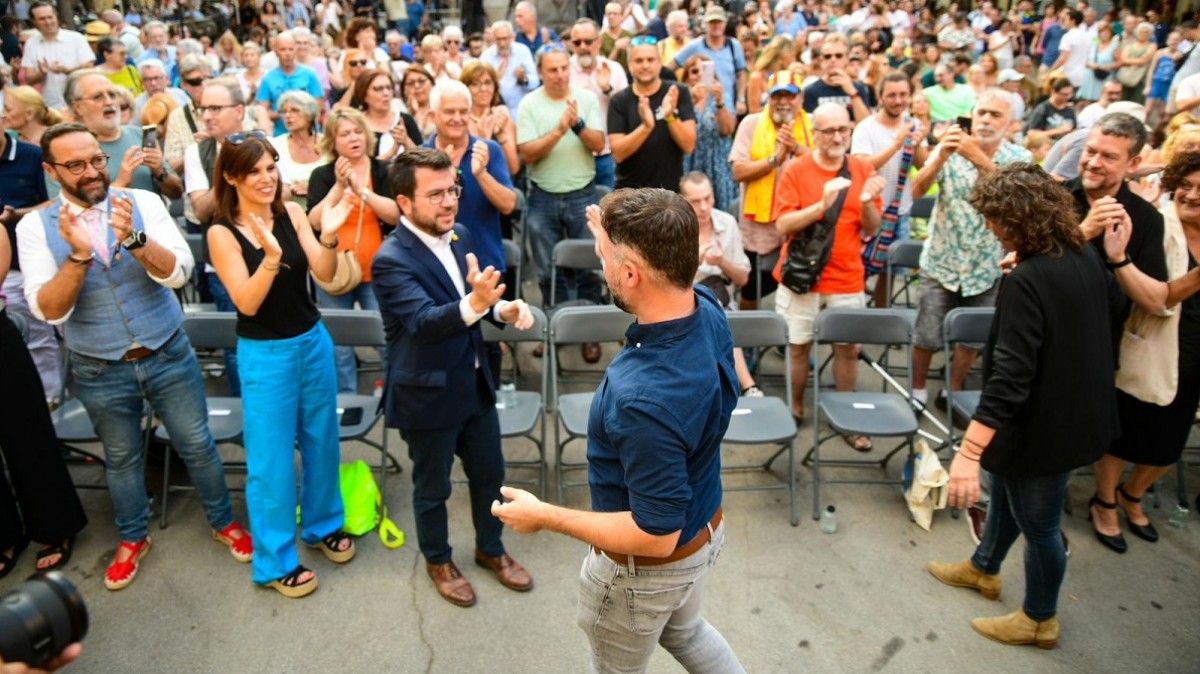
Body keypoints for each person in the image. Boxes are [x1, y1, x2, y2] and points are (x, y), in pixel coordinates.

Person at [492, 187, 744, 673]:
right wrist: (613, 241)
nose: (599, 261)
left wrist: (544, 515)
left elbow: (656, 535)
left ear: (630, 273)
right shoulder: (704, 304)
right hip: (706, 525)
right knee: (689, 632)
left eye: (604, 257)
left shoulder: (642, 399)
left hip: (647, 571)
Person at [16, 124, 252, 591]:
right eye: (76, 165)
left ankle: (223, 521)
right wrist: (79, 258)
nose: (91, 172)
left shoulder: (143, 204)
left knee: (198, 444)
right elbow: (48, 310)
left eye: (97, 160)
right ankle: (131, 537)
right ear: (49, 170)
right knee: (121, 457)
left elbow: (180, 273)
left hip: (166, 349)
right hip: (98, 365)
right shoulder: (34, 227)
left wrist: (137, 242)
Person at [928, 163, 1117, 649]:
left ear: (1018, 221)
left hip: (1043, 426)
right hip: (1067, 414)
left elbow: (1010, 379)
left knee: (1041, 527)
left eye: (995, 218)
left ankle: (1039, 619)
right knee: (1010, 497)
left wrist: (967, 456)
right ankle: (984, 568)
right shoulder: (1079, 253)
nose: (990, 227)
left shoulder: (1029, 280)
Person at [372, 147, 536, 608]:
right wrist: (481, 305)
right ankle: (439, 560)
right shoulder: (391, 259)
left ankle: (491, 549)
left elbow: (470, 294)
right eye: (436, 194)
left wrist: (503, 308)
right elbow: (425, 321)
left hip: (473, 381)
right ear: (404, 203)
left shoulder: (459, 233)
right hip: (426, 396)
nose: (449, 202)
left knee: (491, 476)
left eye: (453, 190)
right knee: (432, 488)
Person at [206, 132, 351, 598]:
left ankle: (324, 523)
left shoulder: (289, 212)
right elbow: (246, 305)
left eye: (271, 166)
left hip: (311, 341)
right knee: (270, 462)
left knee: (322, 441)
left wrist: (328, 232)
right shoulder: (221, 232)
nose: (267, 178)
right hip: (265, 354)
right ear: (231, 177)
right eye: (254, 171)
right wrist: (269, 258)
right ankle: (275, 561)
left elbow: (325, 275)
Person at [1062, 113, 1170, 553]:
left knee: (1074, 436)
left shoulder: (1144, 218)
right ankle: (1040, 521)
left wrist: (1119, 258)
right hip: (1043, 339)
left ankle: (1076, 507)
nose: (1093, 163)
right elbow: (1020, 265)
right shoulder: (1056, 200)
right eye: (1090, 151)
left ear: (1133, 163)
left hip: (1101, 348)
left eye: (1109, 157)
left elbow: (1155, 297)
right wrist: (1080, 234)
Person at [1091, 150, 1200, 549]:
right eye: (1185, 186)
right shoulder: (1157, 223)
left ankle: (1132, 495)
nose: (1191, 195)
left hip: (1195, 358)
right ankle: (1104, 500)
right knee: (1127, 435)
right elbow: (1157, 297)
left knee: (1169, 447)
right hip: (1153, 344)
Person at [909, 90, 1030, 410]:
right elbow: (917, 189)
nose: (986, 120)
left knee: (972, 337)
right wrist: (940, 157)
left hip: (987, 265)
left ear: (1012, 124)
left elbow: (1018, 201)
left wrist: (977, 157)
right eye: (982, 113)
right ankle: (917, 390)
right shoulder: (950, 148)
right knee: (926, 333)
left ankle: (953, 388)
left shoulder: (1020, 159)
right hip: (942, 259)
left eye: (995, 115)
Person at [772, 102, 885, 435]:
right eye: (830, 131)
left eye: (843, 129)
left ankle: (846, 418)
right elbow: (783, 224)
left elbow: (873, 227)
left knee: (848, 349)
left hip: (847, 277)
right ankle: (794, 408)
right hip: (801, 278)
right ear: (815, 133)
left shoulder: (862, 169)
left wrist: (866, 203)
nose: (838, 137)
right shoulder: (796, 170)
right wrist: (820, 207)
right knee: (797, 346)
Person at [306, 108, 400, 392]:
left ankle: (396, 393)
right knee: (339, 343)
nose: (353, 138)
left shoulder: (384, 170)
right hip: (333, 271)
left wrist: (362, 191)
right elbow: (313, 221)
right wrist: (338, 187)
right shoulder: (322, 174)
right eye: (344, 134)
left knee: (385, 336)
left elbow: (396, 215)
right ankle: (345, 399)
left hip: (377, 270)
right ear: (333, 141)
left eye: (358, 131)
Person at [516, 43, 606, 336]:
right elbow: (527, 154)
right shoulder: (529, 103)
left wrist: (576, 124)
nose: (560, 75)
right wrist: (558, 130)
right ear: (540, 72)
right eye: (552, 70)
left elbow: (599, 144)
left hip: (583, 194)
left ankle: (588, 331)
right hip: (542, 197)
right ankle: (554, 328)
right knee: (546, 271)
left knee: (588, 267)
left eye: (564, 68)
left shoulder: (587, 99)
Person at [729, 69, 813, 310]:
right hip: (759, 226)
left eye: (790, 95)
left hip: (801, 222)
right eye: (777, 96)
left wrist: (796, 148)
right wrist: (775, 159)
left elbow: (827, 163)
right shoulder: (751, 123)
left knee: (798, 285)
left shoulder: (813, 126)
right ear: (768, 97)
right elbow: (738, 172)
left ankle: (790, 340)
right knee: (753, 287)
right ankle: (748, 341)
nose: (783, 102)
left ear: (801, 99)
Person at [424, 81, 516, 296]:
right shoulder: (420, 157)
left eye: (463, 111)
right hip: (434, 269)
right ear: (432, 115)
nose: (457, 118)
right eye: (449, 111)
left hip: (486, 267)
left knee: (491, 329)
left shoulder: (489, 150)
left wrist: (481, 174)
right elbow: (413, 215)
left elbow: (508, 205)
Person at [851, 72, 929, 309]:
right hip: (868, 212)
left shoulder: (913, 125)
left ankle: (880, 319)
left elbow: (922, 165)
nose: (898, 100)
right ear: (881, 97)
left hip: (900, 211)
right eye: (892, 95)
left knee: (890, 272)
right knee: (861, 270)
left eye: (903, 94)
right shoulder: (866, 128)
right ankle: (853, 321)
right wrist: (897, 144)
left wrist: (916, 144)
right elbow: (861, 166)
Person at [681, 171, 761, 396]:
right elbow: (668, 282)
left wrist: (722, 262)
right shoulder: (674, 226)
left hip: (723, 304)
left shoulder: (727, 222)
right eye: (696, 202)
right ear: (683, 201)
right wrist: (695, 260)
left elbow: (743, 279)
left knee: (716, 312)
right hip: (683, 304)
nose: (704, 207)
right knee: (713, 313)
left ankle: (726, 390)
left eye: (708, 198)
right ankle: (748, 385)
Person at [0, 114, 56, 404]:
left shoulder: (31, 155)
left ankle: (50, 398)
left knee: (37, 337)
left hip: (23, 264)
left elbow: (55, 202)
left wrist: (15, 214)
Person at [59, 71, 180, 200]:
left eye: (112, 95)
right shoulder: (66, 150)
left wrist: (160, 172)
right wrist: (121, 182)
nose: (109, 102)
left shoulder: (142, 134)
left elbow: (177, 193)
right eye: (98, 97)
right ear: (77, 107)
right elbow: (67, 211)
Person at [608, 38, 697, 191]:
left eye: (650, 60)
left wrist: (670, 116)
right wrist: (646, 127)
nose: (645, 65)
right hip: (631, 194)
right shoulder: (619, 100)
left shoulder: (677, 92)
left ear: (659, 62)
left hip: (670, 193)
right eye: (639, 60)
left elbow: (689, 146)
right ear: (629, 65)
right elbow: (618, 153)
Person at [569, 18, 627, 190]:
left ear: (599, 42)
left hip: (607, 156)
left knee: (607, 212)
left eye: (588, 41)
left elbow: (627, 109)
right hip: (574, 155)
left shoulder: (614, 69)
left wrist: (607, 89)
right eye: (577, 42)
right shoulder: (563, 71)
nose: (583, 47)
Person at [681, 55, 736, 213]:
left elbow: (727, 130)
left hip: (718, 161)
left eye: (704, 70)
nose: (699, 75)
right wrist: (690, 99)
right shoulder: (681, 97)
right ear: (687, 77)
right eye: (694, 71)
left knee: (721, 208)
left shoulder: (721, 96)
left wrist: (720, 102)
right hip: (691, 161)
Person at [669, 6, 749, 115]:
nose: (715, 25)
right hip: (700, 109)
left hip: (727, 106)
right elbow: (670, 67)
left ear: (725, 23)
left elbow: (741, 73)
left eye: (719, 21)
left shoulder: (733, 45)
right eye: (712, 22)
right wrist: (680, 90)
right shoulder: (694, 45)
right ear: (706, 24)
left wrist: (741, 99)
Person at [19, 1, 95, 110]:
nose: (48, 22)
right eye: (42, 19)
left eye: (50, 17)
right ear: (34, 22)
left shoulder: (76, 38)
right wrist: (41, 73)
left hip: (81, 101)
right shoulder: (31, 43)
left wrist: (66, 70)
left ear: (56, 17)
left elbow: (89, 68)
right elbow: (29, 78)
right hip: (51, 105)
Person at [255, 31, 324, 137]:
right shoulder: (268, 78)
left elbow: (319, 106)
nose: (287, 53)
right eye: (283, 49)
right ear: (276, 52)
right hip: (280, 136)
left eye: (290, 49)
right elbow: (262, 111)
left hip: (309, 134)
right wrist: (284, 114)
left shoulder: (309, 74)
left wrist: (300, 115)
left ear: (295, 50)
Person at [461, 60, 520, 176]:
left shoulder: (502, 114)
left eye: (488, 82)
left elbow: (514, 168)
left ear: (495, 86)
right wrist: (484, 139)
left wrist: (501, 135)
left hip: (499, 183)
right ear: (465, 88)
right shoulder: (460, 118)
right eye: (475, 83)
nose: (483, 88)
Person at [269, 90, 325, 208]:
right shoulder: (275, 145)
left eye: (294, 110)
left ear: (310, 114)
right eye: (284, 112)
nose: (287, 116)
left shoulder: (327, 143)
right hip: (288, 214)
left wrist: (312, 187)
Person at [802, 33, 871, 122]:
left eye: (838, 56)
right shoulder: (810, 91)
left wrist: (853, 94)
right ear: (822, 60)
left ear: (847, 58)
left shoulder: (859, 88)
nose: (833, 60)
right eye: (828, 56)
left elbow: (865, 126)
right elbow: (811, 128)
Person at [354, 70, 421, 161]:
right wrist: (391, 153)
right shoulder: (357, 125)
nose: (386, 93)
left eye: (389, 88)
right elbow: (360, 165)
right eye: (379, 89)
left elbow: (423, 160)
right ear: (364, 95)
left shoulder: (405, 120)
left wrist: (406, 141)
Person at [481, 21, 539, 112]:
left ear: (512, 37)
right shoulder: (486, 56)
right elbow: (480, 85)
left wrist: (524, 79)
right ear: (493, 38)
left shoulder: (523, 51)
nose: (502, 44)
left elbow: (536, 81)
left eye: (505, 39)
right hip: (496, 110)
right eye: (498, 39)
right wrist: (495, 78)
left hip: (521, 109)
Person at [1023, 77, 1075, 142]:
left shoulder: (1070, 110)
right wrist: (1058, 131)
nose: (1067, 97)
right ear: (1053, 91)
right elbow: (1031, 134)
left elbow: (1074, 130)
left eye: (1070, 94)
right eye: (1064, 94)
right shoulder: (1042, 109)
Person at [1077, 22, 1117, 104]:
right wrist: (1089, 64)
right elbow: (1084, 58)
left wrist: (1107, 66)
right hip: (1090, 75)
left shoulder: (1114, 46)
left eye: (1107, 33)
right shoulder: (1094, 43)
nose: (1105, 35)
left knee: (1101, 100)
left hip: (1104, 77)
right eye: (1102, 32)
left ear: (1111, 34)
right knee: (1086, 100)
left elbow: (1120, 62)